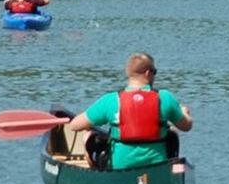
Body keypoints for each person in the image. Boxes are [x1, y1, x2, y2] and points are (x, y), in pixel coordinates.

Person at [65, 53, 193, 170]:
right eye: (155, 72)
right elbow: (186, 126)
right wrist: (184, 112)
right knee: (172, 132)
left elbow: (75, 125)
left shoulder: (111, 100)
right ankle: (166, 171)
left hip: (120, 167)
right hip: (156, 166)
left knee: (88, 135)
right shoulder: (165, 97)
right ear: (148, 73)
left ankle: (99, 173)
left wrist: (94, 120)